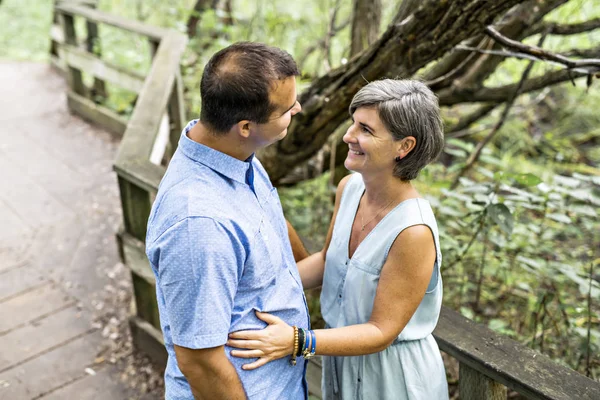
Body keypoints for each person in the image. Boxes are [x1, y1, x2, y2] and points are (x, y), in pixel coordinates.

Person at [227, 79, 449, 399]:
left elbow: (381, 331)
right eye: (353, 123)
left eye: (366, 130)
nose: (348, 136)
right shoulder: (350, 188)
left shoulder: (413, 232)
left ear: (405, 146)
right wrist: (255, 289)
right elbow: (327, 260)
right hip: (341, 363)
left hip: (394, 379)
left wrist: (298, 341)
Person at [145, 42, 311, 400]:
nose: (297, 108)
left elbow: (270, 220)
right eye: (286, 108)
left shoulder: (234, 153)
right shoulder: (198, 224)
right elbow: (200, 361)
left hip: (284, 381)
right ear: (246, 126)